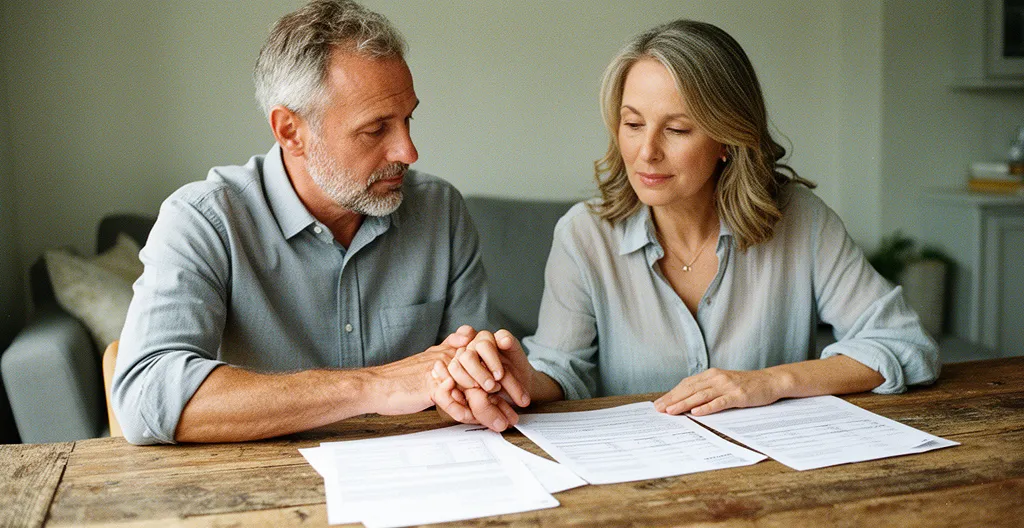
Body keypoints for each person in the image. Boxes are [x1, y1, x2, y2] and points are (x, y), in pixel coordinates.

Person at [435, 19, 940, 429]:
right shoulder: (583, 235)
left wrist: (770, 382)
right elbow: (562, 369)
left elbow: (903, 344)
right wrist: (515, 379)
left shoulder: (800, 220)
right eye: (633, 124)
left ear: (727, 139)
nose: (646, 152)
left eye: (677, 129)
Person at [111, 0, 489, 445]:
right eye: (375, 129)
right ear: (291, 131)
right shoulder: (204, 221)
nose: (408, 151)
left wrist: (483, 378)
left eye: (408, 119)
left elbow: (470, 374)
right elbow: (146, 396)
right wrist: (373, 386)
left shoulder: (441, 211)